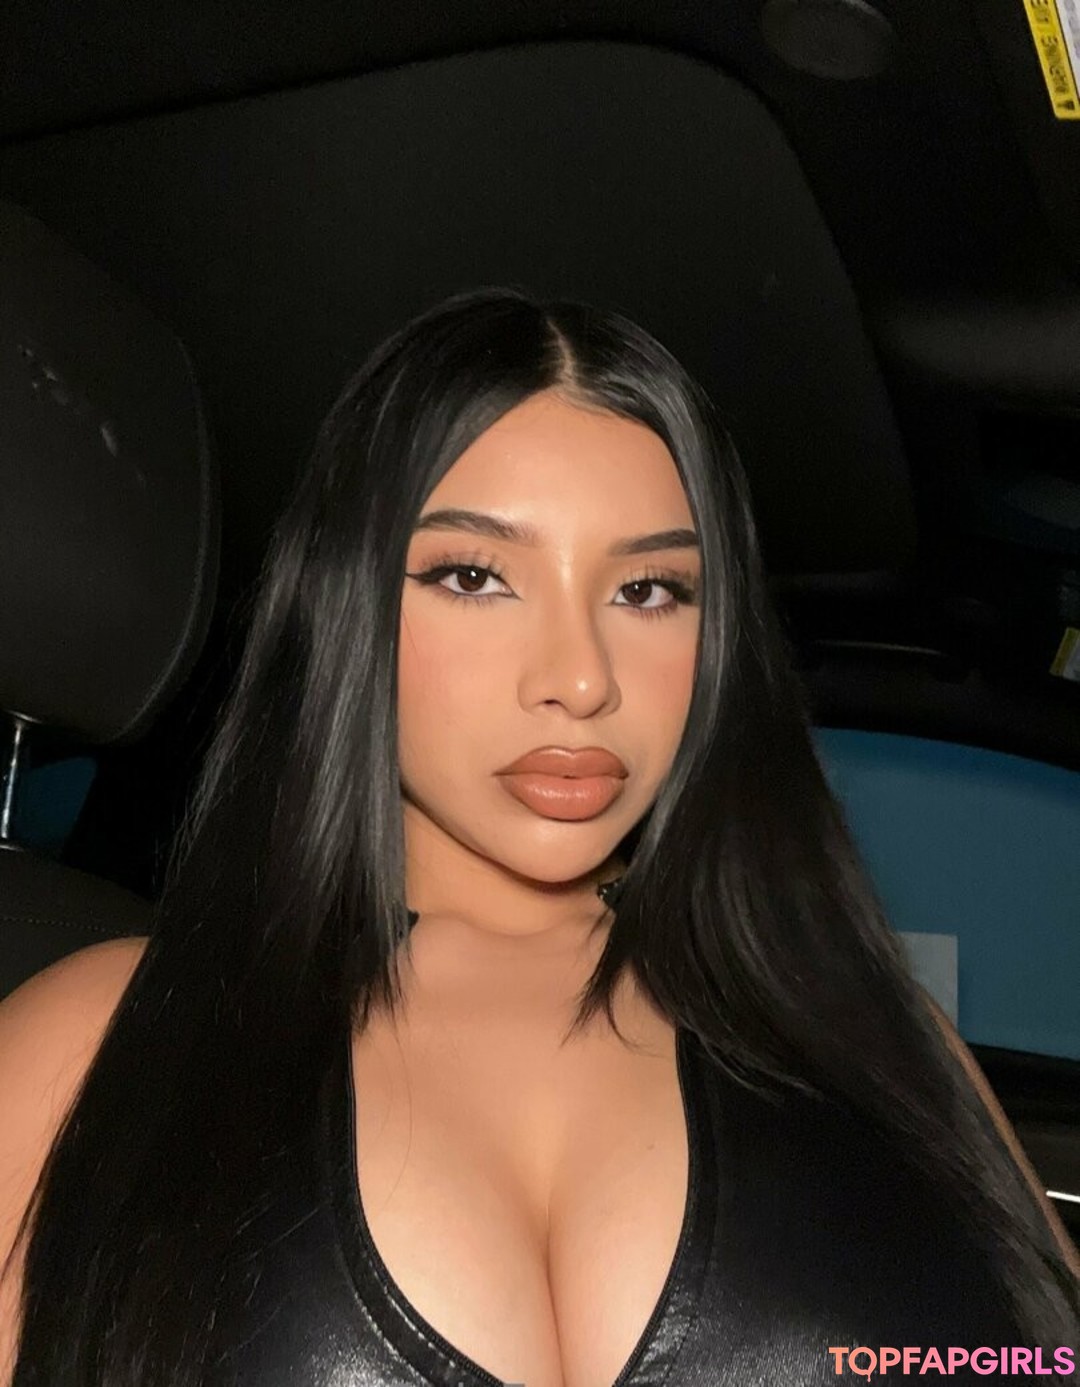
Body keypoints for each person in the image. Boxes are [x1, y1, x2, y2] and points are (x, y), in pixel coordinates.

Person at [0, 287, 1077, 1387]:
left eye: (649, 589)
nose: (580, 677)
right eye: (473, 576)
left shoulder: (873, 1027)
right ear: (345, 607)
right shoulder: (90, 1047)